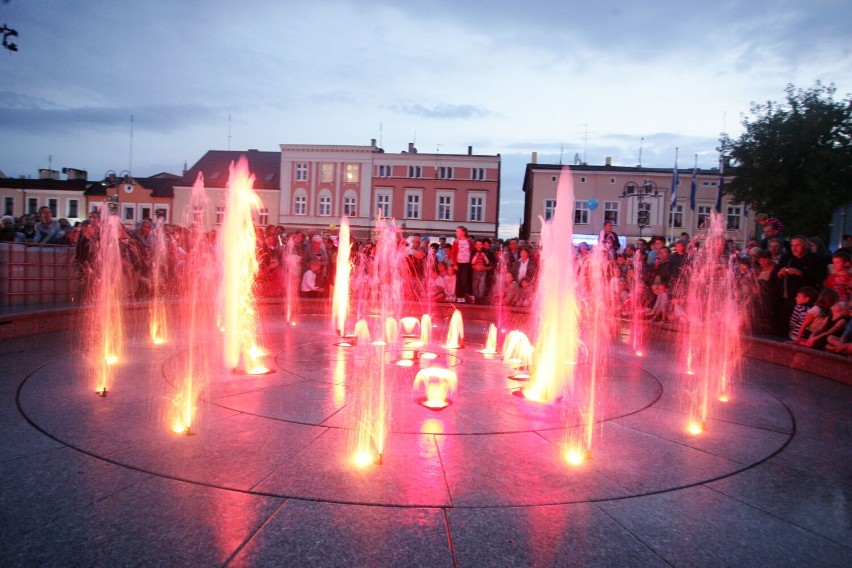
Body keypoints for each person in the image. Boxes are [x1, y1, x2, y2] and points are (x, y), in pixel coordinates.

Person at [450, 226, 474, 302]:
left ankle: (463, 295)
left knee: (464, 280)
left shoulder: (469, 240)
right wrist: (455, 264)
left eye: (458, 231)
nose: (457, 233)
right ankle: (458, 296)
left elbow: (472, 250)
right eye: (456, 231)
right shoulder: (456, 241)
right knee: (459, 280)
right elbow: (453, 253)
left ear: (463, 232)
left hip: (466, 263)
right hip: (458, 262)